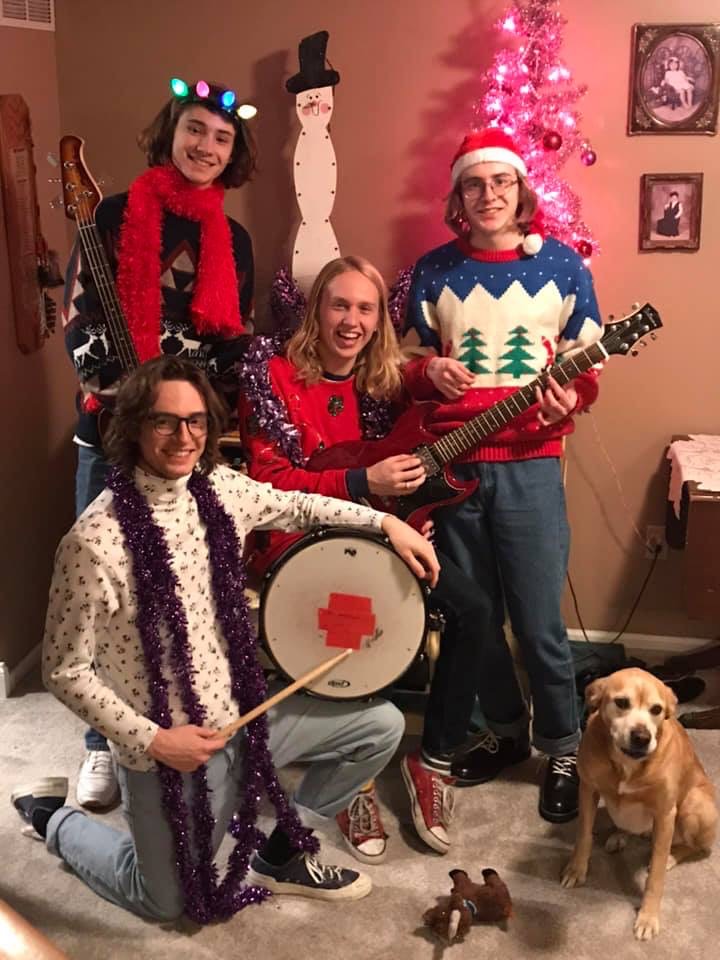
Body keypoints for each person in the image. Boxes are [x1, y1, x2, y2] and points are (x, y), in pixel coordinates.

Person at [10, 356, 438, 922]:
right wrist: (156, 741)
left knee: (379, 727)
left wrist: (386, 523)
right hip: (169, 749)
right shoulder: (93, 542)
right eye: (164, 421)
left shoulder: (219, 489)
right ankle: (50, 816)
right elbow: (65, 671)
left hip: (245, 717)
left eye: (195, 421)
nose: (183, 437)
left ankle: (281, 855)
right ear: (134, 426)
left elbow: (298, 505)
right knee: (164, 901)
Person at [239, 256, 491, 857]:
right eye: (339, 305)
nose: (351, 321)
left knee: (475, 610)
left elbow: (418, 377)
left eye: (365, 308)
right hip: (298, 538)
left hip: (385, 534)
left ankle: (432, 760)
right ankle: (357, 775)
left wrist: (435, 369)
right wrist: (360, 481)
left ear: (380, 320)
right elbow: (269, 484)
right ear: (316, 310)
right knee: (359, 617)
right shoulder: (274, 376)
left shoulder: (383, 378)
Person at [63, 78, 256, 809]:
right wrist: (123, 388)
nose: (206, 146)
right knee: (104, 596)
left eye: (222, 137)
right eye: (195, 129)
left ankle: (168, 727)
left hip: (184, 445)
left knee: (177, 592)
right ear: (170, 133)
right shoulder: (113, 215)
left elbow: (228, 343)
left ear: (233, 153)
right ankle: (100, 747)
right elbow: (78, 319)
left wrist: (197, 410)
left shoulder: (233, 240)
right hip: (110, 434)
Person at [403, 129, 603, 823]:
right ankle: (508, 731)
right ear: (457, 196)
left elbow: (587, 364)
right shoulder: (432, 271)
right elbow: (404, 364)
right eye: (474, 184)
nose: (488, 195)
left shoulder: (565, 267)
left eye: (501, 182)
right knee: (477, 619)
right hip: (454, 468)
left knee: (540, 622)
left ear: (521, 192)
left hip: (530, 468)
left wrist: (572, 397)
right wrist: (428, 370)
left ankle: (563, 747)